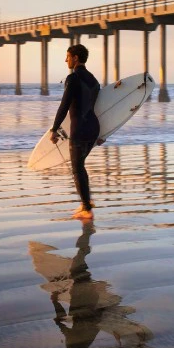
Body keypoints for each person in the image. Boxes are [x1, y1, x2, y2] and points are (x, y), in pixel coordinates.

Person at [51, 44, 101, 220]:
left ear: (76, 58)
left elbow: (64, 106)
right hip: (93, 128)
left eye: (68, 56)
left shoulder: (73, 79)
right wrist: (103, 133)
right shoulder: (94, 80)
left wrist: (54, 129)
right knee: (80, 165)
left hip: (79, 130)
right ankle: (86, 201)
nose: (66, 60)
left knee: (77, 168)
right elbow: (99, 107)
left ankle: (87, 209)